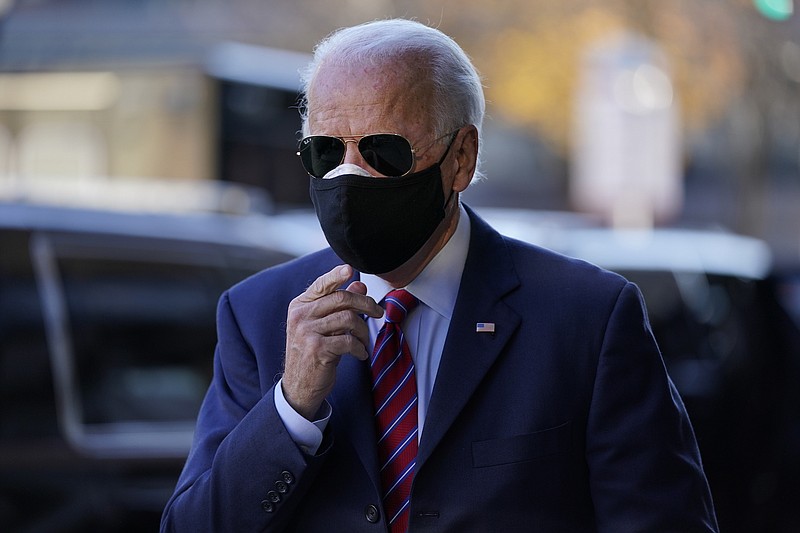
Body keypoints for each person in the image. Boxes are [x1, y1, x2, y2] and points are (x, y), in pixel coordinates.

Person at [161, 18, 718, 532]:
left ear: (461, 159)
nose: (350, 175)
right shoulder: (259, 314)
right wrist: (293, 407)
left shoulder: (587, 317)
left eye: (383, 151)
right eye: (327, 152)